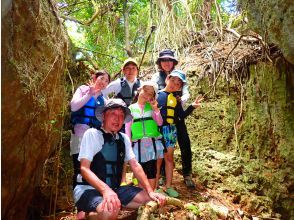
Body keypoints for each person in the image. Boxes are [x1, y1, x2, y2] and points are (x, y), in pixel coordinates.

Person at [73, 98, 166, 220]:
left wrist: (150, 191)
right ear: (104, 115)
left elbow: (135, 165)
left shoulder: (123, 138)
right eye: (113, 113)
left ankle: (110, 206)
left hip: (115, 189)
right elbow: (84, 169)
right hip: (88, 189)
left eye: (121, 115)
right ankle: (88, 214)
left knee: (151, 201)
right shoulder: (92, 134)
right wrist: (106, 191)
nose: (117, 118)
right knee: (111, 211)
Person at [151, 49, 196, 189]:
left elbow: (186, 94)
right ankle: (162, 175)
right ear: (160, 63)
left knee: (185, 143)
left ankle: (187, 173)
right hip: (161, 118)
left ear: (173, 62)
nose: (167, 63)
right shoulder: (155, 77)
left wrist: (179, 100)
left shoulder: (180, 76)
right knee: (161, 148)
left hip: (177, 114)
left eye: (169, 60)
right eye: (164, 60)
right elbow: (151, 91)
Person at [157, 70, 203, 197]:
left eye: (178, 84)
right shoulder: (156, 94)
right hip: (158, 130)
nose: (174, 84)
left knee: (169, 158)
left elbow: (180, 116)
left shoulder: (176, 100)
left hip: (170, 130)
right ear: (167, 79)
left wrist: (192, 107)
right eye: (172, 80)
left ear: (180, 87)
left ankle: (169, 186)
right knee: (158, 159)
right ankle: (155, 186)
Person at [102, 57, 141, 185]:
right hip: (123, 121)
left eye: (133, 68)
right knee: (122, 148)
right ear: (123, 70)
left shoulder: (142, 85)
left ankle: (136, 177)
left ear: (137, 70)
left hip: (137, 121)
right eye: (127, 68)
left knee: (137, 148)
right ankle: (122, 179)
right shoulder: (118, 84)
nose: (130, 71)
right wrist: (109, 105)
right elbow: (103, 92)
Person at [70, 70, 111, 189]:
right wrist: (89, 94)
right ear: (94, 77)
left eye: (107, 81)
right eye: (102, 78)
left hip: (95, 136)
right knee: (79, 167)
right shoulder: (83, 89)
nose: (103, 82)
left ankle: (92, 196)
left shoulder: (104, 99)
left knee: (94, 167)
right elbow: (73, 106)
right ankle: (78, 199)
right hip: (79, 134)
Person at [125, 81, 164, 190]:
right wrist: (128, 144)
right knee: (140, 170)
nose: (147, 94)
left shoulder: (152, 107)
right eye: (145, 90)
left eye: (151, 93)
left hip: (152, 144)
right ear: (139, 90)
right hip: (138, 145)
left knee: (151, 168)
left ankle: (151, 194)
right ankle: (143, 194)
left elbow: (160, 123)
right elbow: (128, 128)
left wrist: (156, 110)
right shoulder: (131, 108)